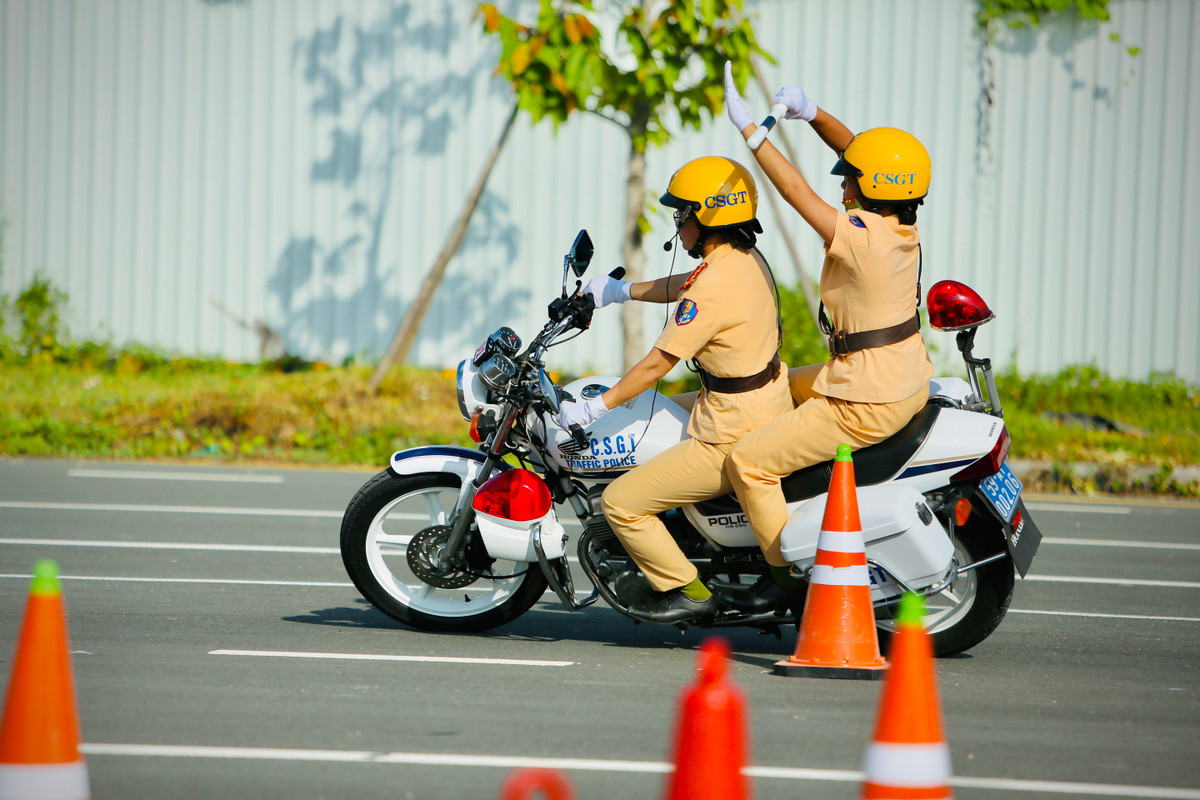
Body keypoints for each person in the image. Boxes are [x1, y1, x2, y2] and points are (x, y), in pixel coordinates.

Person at [716, 63, 935, 612]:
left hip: (863, 398)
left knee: (749, 461)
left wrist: (752, 132)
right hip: (899, 378)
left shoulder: (861, 238)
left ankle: (783, 576)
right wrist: (812, 115)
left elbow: (795, 191)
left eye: (850, 179)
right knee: (782, 389)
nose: (842, 183)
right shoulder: (900, 224)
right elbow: (865, 153)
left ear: (872, 189)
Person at [553, 156, 793, 624]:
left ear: (706, 218)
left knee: (622, 501)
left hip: (731, 428)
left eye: (682, 214)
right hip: (758, 401)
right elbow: (684, 284)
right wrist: (618, 292)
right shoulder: (739, 259)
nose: (678, 224)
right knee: (650, 412)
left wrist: (596, 406)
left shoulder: (713, 285)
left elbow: (655, 365)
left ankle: (691, 590)